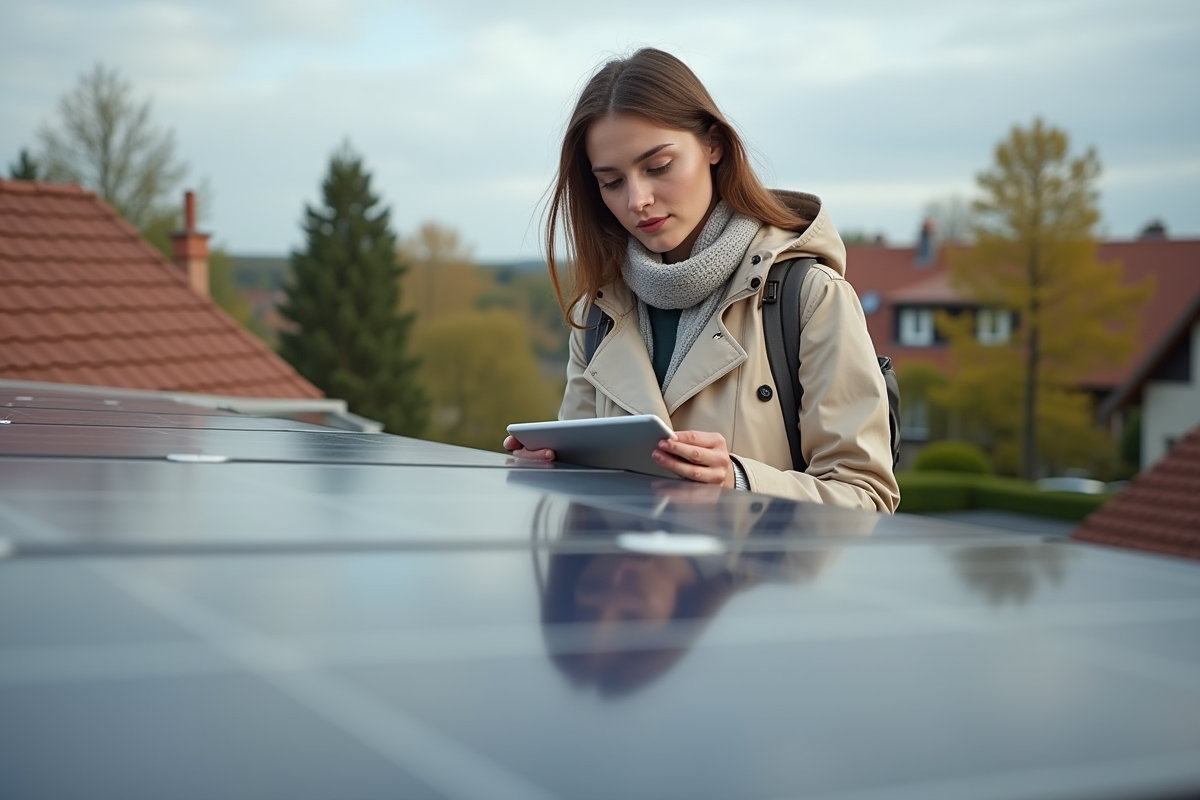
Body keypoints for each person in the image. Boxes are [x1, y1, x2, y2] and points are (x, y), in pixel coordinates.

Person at [503, 47, 899, 513]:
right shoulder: (598, 315)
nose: (638, 200)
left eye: (658, 167)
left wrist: (740, 480)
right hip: (628, 584)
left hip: (759, 584)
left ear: (714, 144)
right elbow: (590, 503)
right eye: (612, 182)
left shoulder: (809, 297)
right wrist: (553, 472)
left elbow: (866, 498)